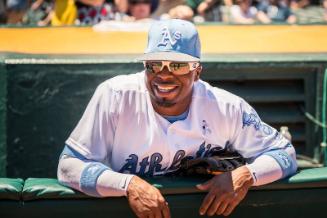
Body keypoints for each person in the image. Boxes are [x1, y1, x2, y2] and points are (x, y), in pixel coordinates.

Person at [58, 19, 297, 217]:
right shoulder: (116, 96)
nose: (164, 75)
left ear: (197, 71)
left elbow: (284, 153)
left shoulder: (226, 106)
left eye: (178, 65)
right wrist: (127, 184)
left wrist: (246, 175)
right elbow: (69, 166)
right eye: (154, 65)